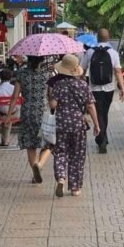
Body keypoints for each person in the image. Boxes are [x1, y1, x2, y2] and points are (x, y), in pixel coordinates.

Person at [48, 54, 99, 197]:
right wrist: (96, 124)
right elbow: (90, 106)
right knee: (77, 155)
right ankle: (75, 188)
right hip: (78, 124)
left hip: (61, 123)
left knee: (60, 152)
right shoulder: (83, 85)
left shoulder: (58, 85)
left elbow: (53, 105)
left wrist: (51, 97)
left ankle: (61, 178)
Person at [6, 55, 53, 183]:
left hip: (27, 113)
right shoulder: (47, 75)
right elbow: (52, 98)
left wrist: (9, 115)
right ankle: (40, 165)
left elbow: (15, 97)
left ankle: (34, 171)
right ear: (42, 60)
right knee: (49, 143)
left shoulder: (21, 74)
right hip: (43, 113)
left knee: (30, 144)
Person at [81, 27, 124, 153]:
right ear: (108, 37)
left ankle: (102, 138)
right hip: (109, 89)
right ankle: (102, 139)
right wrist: (122, 88)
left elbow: (82, 70)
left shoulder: (90, 52)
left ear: (97, 38)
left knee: (98, 112)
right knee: (104, 112)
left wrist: (81, 83)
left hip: (93, 88)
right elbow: (118, 71)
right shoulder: (113, 53)